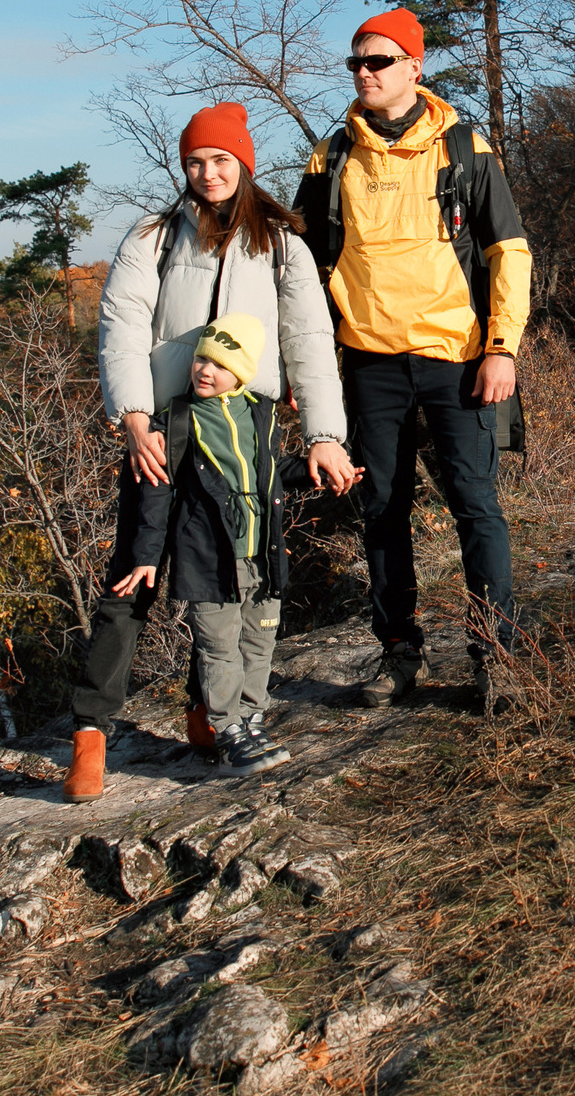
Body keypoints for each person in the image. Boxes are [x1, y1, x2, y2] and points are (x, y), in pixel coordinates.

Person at [66, 103, 357, 800]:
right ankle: (90, 732)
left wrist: (324, 437)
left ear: (243, 164)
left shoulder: (282, 243)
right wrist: (134, 419)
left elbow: (308, 339)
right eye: (195, 161)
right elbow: (122, 323)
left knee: (231, 572)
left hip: (245, 423)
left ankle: (208, 713)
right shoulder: (154, 236)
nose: (208, 173)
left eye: (221, 159)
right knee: (133, 569)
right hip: (164, 425)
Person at [292, 7, 530, 715]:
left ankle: (495, 657)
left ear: (414, 68)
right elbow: (301, 272)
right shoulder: (332, 156)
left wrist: (502, 349)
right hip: (370, 362)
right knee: (382, 512)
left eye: (379, 61)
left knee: (476, 508)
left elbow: (508, 250)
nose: (364, 73)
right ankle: (399, 653)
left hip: (458, 358)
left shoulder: (463, 146)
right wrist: (298, 368)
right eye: (356, 63)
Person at [67, 315, 335, 794]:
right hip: (210, 559)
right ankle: (227, 729)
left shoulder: (261, 413)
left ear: (244, 373)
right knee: (219, 647)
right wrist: (146, 556)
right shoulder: (177, 420)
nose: (205, 370)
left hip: (261, 556)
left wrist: (314, 473)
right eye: (200, 359)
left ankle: (251, 721)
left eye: (220, 364)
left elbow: (268, 471)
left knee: (259, 643)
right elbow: (157, 494)